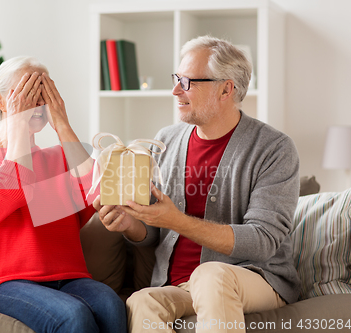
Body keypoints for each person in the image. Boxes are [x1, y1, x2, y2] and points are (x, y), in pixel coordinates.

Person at [93, 36, 300, 333]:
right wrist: (131, 224)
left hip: (254, 278)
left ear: (226, 88)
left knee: (210, 275)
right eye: (177, 79)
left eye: (188, 81)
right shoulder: (165, 140)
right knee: (141, 302)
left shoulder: (273, 148)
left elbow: (263, 241)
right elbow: (153, 232)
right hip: (178, 284)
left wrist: (176, 220)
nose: (176, 90)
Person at [0, 56, 126, 333]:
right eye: (26, 92)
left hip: (69, 277)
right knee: (73, 316)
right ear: (0, 101)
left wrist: (62, 124)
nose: (37, 103)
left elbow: (98, 191)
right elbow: (13, 192)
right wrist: (19, 125)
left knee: (111, 305)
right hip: (2, 284)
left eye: (43, 93)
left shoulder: (59, 158)